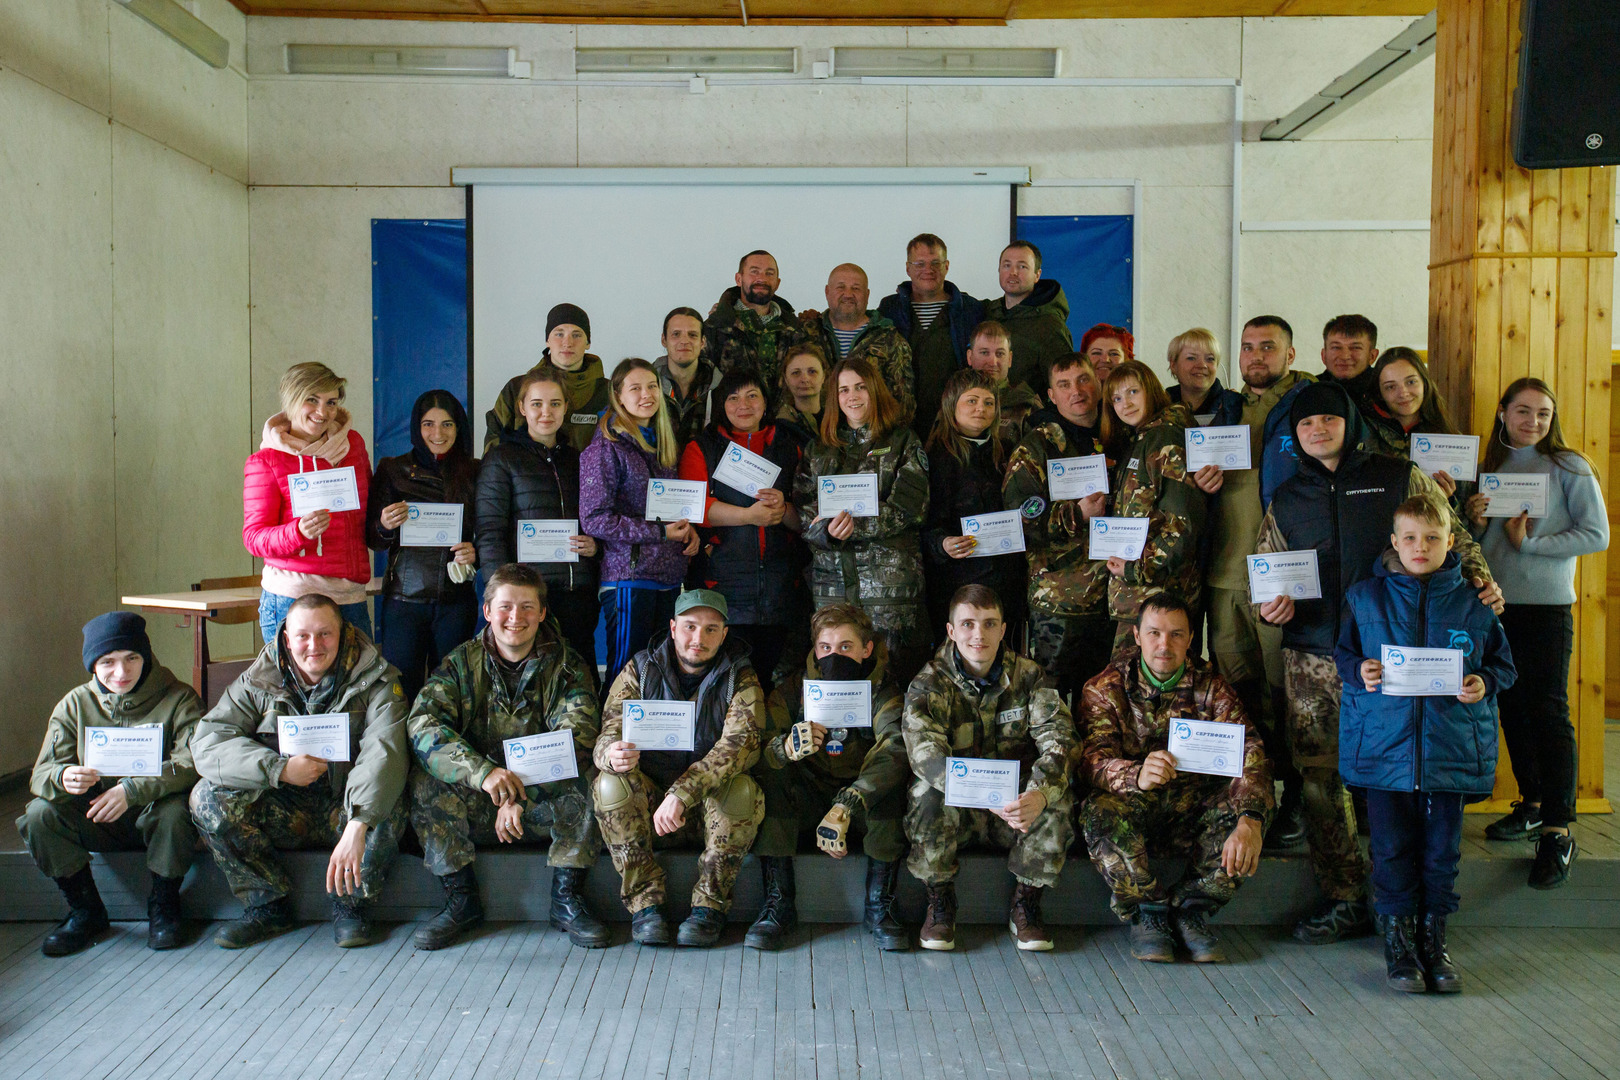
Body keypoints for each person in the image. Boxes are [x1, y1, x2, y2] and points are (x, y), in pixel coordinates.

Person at [1255, 381, 1500, 945]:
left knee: (1401, 773)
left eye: (1329, 420)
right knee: (1319, 779)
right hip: (1313, 656)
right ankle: (1345, 896)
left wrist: (1483, 583)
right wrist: (1268, 608)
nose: (1318, 430)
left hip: (1398, 655)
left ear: (1350, 423)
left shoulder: (1398, 476)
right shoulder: (1286, 497)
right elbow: (1265, 570)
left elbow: (1453, 536)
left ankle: (1407, 904)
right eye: (1306, 423)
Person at [1337, 495, 1517, 992]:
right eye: (1411, 538)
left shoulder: (1475, 602)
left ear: (1450, 542)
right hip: (1384, 752)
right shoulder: (1365, 598)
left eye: (1432, 538)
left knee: (1442, 854)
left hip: (1448, 753)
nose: (1421, 547)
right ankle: (1399, 946)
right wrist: (1359, 669)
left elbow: (1503, 665)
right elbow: (1343, 654)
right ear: (1394, 543)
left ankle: (1434, 943)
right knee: (1390, 849)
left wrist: (1483, 681)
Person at [405, 564, 610, 951]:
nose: (516, 617)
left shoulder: (567, 666)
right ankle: (461, 899)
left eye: (527, 607)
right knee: (426, 781)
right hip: (480, 799)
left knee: (593, 779)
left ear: (542, 612)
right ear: (487, 611)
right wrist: (483, 774)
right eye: (505, 607)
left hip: (541, 802)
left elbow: (578, 737)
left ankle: (567, 898)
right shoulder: (460, 664)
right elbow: (423, 725)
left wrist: (520, 793)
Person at [190, 595, 409, 949]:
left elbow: (386, 752)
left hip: (346, 805)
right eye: (303, 636)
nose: (314, 645)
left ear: (344, 633)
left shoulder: (376, 678)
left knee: (390, 797)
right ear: (287, 639)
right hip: (284, 802)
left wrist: (359, 820)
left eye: (325, 634)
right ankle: (267, 905)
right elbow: (208, 741)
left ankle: (352, 904)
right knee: (207, 797)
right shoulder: (259, 679)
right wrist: (278, 770)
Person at [1467, 378, 1609, 886]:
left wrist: (1529, 545)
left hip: (1546, 608)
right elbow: (1481, 544)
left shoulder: (1569, 466)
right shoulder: (1490, 466)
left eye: (1543, 413)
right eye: (1523, 411)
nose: (1533, 421)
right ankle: (1531, 803)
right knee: (1510, 705)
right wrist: (1475, 519)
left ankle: (1557, 828)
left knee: (1548, 711)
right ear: (1503, 413)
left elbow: (1596, 534)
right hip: (1494, 608)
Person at [1079, 595, 1271, 964]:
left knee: (1251, 811)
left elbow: (1251, 754)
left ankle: (1192, 908)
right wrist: (1135, 774)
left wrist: (1250, 820)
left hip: (1193, 807)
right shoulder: (1105, 687)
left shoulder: (1213, 687)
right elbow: (1090, 761)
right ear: (1137, 636)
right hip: (1134, 804)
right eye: (1154, 633)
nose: (1164, 645)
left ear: (1191, 639)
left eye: (1176, 634)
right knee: (1098, 813)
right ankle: (1148, 912)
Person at [902, 585, 1077, 952]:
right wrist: (983, 794)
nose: (978, 634)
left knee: (1055, 796)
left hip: (1015, 813)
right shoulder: (929, 682)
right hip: (959, 811)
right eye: (967, 624)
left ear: (1003, 629)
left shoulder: (1030, 676)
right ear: (951, 631)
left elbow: (1060, 739)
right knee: (924, 792)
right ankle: (939, 900)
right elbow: (924, 754)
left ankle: (1026, 902)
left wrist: (1037, 795)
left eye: (989, 623)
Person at [19, 613, 200, 956]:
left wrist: (132, 790)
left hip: (153, 815)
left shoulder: (179, 698)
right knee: (39, 815)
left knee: (176, 812)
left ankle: (164, 904)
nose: (121, 672)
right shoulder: (74, 705)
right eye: (108, 662)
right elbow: (41, 774)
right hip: (95, 817)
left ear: (146, 656)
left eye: (132, 658)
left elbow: (193, 762)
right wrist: (63, 776)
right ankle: (85, 910)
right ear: (93, 665)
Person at [592, 590, 765, 948]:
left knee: (742, 789)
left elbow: (740, 746)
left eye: (711, 629)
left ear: (724, 634)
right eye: (689, 627)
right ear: (672, 628)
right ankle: (646, 906)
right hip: (650, 809)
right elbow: (609, 728)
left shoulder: (740, 676)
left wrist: (683, 793)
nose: (698, 638)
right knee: (610, 783)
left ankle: (709, 907)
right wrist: (610, 753)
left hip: (706, 810)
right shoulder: (641, 668)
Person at [1205, 316, 1313, 852]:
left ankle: (1299, 798)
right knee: (1238, 696)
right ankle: (1249, 798)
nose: (1256, 356)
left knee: (1287, 694)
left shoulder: (1309, 405)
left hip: (1281, 576)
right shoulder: (1223, 409)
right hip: (1224, 574)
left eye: (1268, 347)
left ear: (1290, 354)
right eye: (1247, 347)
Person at [745, 603, 910, 952]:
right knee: (771, 781)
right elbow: (757, 748)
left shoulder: (883, 690)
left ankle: (880, 905)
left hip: (858, 803)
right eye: (825, 647)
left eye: (845, 647)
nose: (834, 656)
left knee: (890, 785)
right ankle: (778, 902)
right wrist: (784, 748)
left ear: (866, 648)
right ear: (815, 649)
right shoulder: (794, 688)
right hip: (808, 795)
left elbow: (894, 747)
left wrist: (849, 802)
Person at [794, 355, 932, 687]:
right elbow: (803, 510)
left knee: (896, 685)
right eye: (843, 390)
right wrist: (827, 532)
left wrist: (858, 526)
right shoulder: (818, 450)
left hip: (889, 591)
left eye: (860, 387)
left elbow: (911, 508)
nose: (852, 396)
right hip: (833, 589)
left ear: (875, 390)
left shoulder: (903, 442)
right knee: (837, 683)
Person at [678, 368, 807, 689]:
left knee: (772, 681)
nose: (743, 405)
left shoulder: (790, 446)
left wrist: (783, 508)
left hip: (780, 586)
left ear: (766, 403)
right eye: (733, 398)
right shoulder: (702, 446)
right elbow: (694, 506)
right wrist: (749, 515)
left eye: (752, 396)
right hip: (722, 583)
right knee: (724, 682)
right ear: (721, 404)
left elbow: (808, 516)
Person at [475, 365, 601, 678]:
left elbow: (596, 518)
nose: (546, 412)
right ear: (522, 408)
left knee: (581, 682)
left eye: (555, 403)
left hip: (577, 595)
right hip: (528, 601)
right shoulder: (501, 459)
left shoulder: (578, 459)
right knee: (529, 684)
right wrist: (503, 595)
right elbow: (490, 533)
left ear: (566, 407)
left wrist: (595, 546)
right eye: (537, 404)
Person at [581, 357, 700, 684]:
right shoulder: (606, 446)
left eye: (652, 386)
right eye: (635, 388)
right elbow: (594, 519)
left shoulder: (664, 441)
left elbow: (672, 504)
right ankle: (610, 723)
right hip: (629, 578)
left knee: (660, 678)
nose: (646, 394)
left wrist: (687, 529)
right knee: (625, 678)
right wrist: (660, 532)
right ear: (618, 396)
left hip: (669, 578)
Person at [1002, 352, 1110, 706]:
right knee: (1055, 703)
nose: (1076, 391)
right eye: (1064, 385)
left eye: (1083, 380)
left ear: (1098, 384)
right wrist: (1074, 514)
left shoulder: (1121, 434)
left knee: (1106, 701)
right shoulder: (1038, 446)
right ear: (1051, 395)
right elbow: (1019, 518)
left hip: (1116, 598)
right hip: (1061, 602)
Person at [244, 362, 374, 643]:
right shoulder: (266, 461)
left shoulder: (353, 446)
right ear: (290, 400)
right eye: (312, 400)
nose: (322, 412)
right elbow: (253, 538)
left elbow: (369, 514)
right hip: (291, 598)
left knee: (361, 672)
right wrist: (298, 532)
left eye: (331, 402)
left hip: (349, 596)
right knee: (293, 675)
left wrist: (384, 521)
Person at [366, 389, 479, 701]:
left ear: (459, 427)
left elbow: (489, 531)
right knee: (401, 692)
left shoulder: (475, 471)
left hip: (456, 601)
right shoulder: (392, 469)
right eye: (428, 424)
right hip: (404, 602)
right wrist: (384, 525)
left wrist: (477, 553)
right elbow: (373, 540)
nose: (438, 433)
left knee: (454, 691)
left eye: (447, 424)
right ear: (417, 427)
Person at [1099, 360, 1221, 641]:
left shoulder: (1165, 439)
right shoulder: (1142, 439)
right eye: (1116, 398)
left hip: (1159, 599)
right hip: (1139, 595)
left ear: (1151, 390)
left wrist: (1137, 568)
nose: (1126, 404)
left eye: (1133, 392)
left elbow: (1182, 523)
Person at [923, 368, 1027, 643]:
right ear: (951, 405)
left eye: (988, 402)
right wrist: (943, 544)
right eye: (972, 400)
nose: (981, 408)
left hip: (1006, 579)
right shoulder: (935, 457)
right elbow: (924, 523)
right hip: (959, 582)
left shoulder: (1008, 451)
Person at [876, 233, 985, 439]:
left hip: (956, 423)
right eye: (920, 264)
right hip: (898, 423)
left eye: (935, 263)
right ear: (908, 268)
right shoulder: (889, 309)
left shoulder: (970, 310)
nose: (928, 270)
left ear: (947, 266)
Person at [485, 303, 612, 453]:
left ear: (588, 343)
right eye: (559, 334)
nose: (567, 343)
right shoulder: (516, 388)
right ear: (547, 341)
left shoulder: (609, 393)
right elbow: (493, 451)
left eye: (576, 335)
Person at [800, 263, 915, 425]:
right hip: (813, 434)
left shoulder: (889, 339)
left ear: (867, 295)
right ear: (827, 291)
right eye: (841, 287)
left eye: (856, 288)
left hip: (872, 435)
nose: (848, 294)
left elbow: (903, 404)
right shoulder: (805, 335)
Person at [1367, 349, 1473, 505]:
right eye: (1390, 387)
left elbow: (1464, 514)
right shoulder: (1365, 435)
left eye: (1411, 382)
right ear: (1380, 393)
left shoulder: (1450, 438)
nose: (1403, 393)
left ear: (1424, 382)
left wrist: (1448, 500)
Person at [702, 249, 806, 391]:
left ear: (777, 283)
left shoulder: (796, 330)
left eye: (769, 273)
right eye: (754, 272)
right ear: (739, 279)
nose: (761, 278)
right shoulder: (715, 328)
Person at [984, 241, 1073, 394]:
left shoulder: (1050, 326)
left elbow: (1065, 386)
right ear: (999, 270)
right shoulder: (987, 313)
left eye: (1022, 266)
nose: (1013, 272)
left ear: (1037, 275)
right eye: (1007, 265)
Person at [964, 320, 1042, 447]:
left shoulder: (1027, 406)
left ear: (1009, 359)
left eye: (1000, 354)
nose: (993, 362)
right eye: (984, 353)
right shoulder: (953, 402)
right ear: (970, 357)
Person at [655, 306, 723, 446]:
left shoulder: (721, 389)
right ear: (664, 340)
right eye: (676, 334)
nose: (684, 341)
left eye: (692, 335)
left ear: (703, 342)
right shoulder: (646, 387)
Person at [1165, 327, 1243, 426]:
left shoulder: (1236, 407)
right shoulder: (1157, 406)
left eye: (1210, 359)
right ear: (1173, 365)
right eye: (1191, 358)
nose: (1202, 365)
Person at [1316, 313, 1383, 419]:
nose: (1345, 356)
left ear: (1372, 356)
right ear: (1324, 355)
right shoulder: (1309, 390)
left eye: (1355, 348)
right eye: (1336, 347)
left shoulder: (1386, 390)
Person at [774, 341, 828, 442]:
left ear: (823, 376)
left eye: (812, 371)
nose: (805, 379)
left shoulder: (839, 422)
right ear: (786, 379)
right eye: (796, 373)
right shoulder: (779, 428)